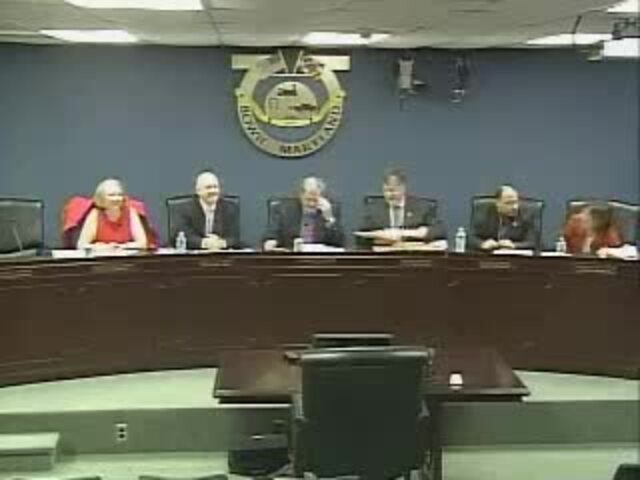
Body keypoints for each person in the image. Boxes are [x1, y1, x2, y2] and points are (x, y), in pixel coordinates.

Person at [357, 169, 446, 249]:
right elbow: (361, 234)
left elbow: (439, 231)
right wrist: (382, 236)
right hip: (383, 255)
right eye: (386, 190)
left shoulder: (422, 206)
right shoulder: (374, 207)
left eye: (393, 190)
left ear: (403, 188)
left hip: (412, 255)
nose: (389, 195)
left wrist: (409, 233)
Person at [263, 176, 344, 251]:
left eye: (315, 200)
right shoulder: (283, 209)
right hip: (292, 257)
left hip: (320, 259)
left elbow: (339, 243)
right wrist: (270, 242)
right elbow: (271, 233)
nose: (311, 204)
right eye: (308, 199)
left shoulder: (330, 209)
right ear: (301, 195)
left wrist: (329, 218)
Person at [171, 171, 240, 250]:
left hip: (221, 254)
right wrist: (204, 243)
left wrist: (221, 243)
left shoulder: (230, 208)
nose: (213, 191)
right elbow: (179, 236)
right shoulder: (185, 209)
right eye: (208, 187)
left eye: (215, 187)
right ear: (198, 191)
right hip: (194, 255)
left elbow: (235, 238)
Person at [76, 178, 150, 250]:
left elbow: (142, 243)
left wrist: (121, 247)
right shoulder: (95, 214)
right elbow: (82, 245)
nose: (116, 199)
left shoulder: (131, 212)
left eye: (120, 195)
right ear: (101, 198)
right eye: (111, 195)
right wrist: (102, 247)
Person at [469, 184, 538, 251]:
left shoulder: (526, 214)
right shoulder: (485, 212)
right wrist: (482, 244)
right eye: (509, 203)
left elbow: (535, 242)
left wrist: (514, 245)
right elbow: (470, 238)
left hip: (514, 256)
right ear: (498, 203)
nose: (515, 207)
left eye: (516, 202)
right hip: (490, 256)